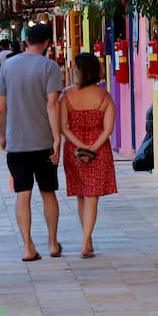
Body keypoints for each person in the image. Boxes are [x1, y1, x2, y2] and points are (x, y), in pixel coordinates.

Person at [0, 23, 63, 262]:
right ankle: (53, 243)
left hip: (17, 144)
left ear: (26, 41)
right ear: (47, 43)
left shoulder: (8, 66)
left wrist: (3, 135)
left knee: (22, 194)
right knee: (48, 192)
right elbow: (52, 105)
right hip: (43, 141)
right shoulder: (50, 67)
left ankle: (27, 247)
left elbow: (0, 108)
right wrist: (57, 139)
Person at [59, 52, 117, 258]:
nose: (72, 72)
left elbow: (63, 128)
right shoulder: (105, 96)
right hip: (99, 151)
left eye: (75, 69)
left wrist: (80, 145)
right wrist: (93, 147)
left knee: (81, 196)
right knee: (92, 197)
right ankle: (86, 241)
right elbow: (108, 129)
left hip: (73, 150)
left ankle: (87, 239)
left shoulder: (66, 95)